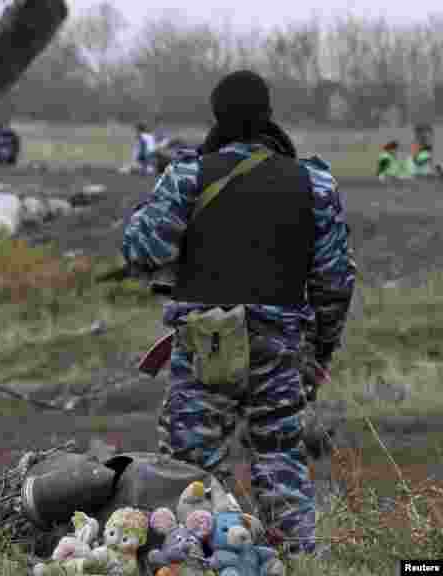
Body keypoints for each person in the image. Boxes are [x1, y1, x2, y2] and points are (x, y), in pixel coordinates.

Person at [122, 70, 356, 556]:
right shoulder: (314, 182)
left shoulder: (188, 176)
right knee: (280, 460)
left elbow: (141, 250)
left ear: (217, 115)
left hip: (206, 344)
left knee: (190, 471)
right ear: (267, 114)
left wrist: (154, 205)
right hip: (281, 345)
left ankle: (197, 558)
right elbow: (334, 282)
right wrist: (320, 351)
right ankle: (297, 559)